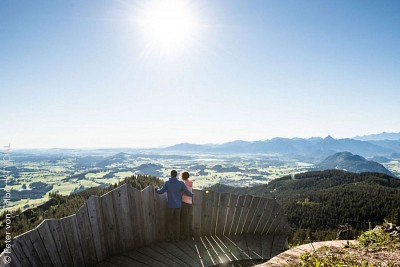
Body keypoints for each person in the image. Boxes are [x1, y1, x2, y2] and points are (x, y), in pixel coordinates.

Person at [155, 170, 193, 242]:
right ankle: (177, 238)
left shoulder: (167, 183)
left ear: (171, 175)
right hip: (178, 205)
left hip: (170, 205)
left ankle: (171, 237)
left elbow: (161, 191)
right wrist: (192, 194)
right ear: (176, 175)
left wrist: (156, 189)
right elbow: (187, 192)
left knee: (170, 222)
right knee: (177, 222)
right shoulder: (180, 183)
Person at [180, 171, 193, 240]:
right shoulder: (191, 182)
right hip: (190, 202)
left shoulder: (183, 183)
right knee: (188, 218)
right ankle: (190, 234)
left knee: (184, 219)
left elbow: (183, 191)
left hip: (184, 202)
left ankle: (185, 235)